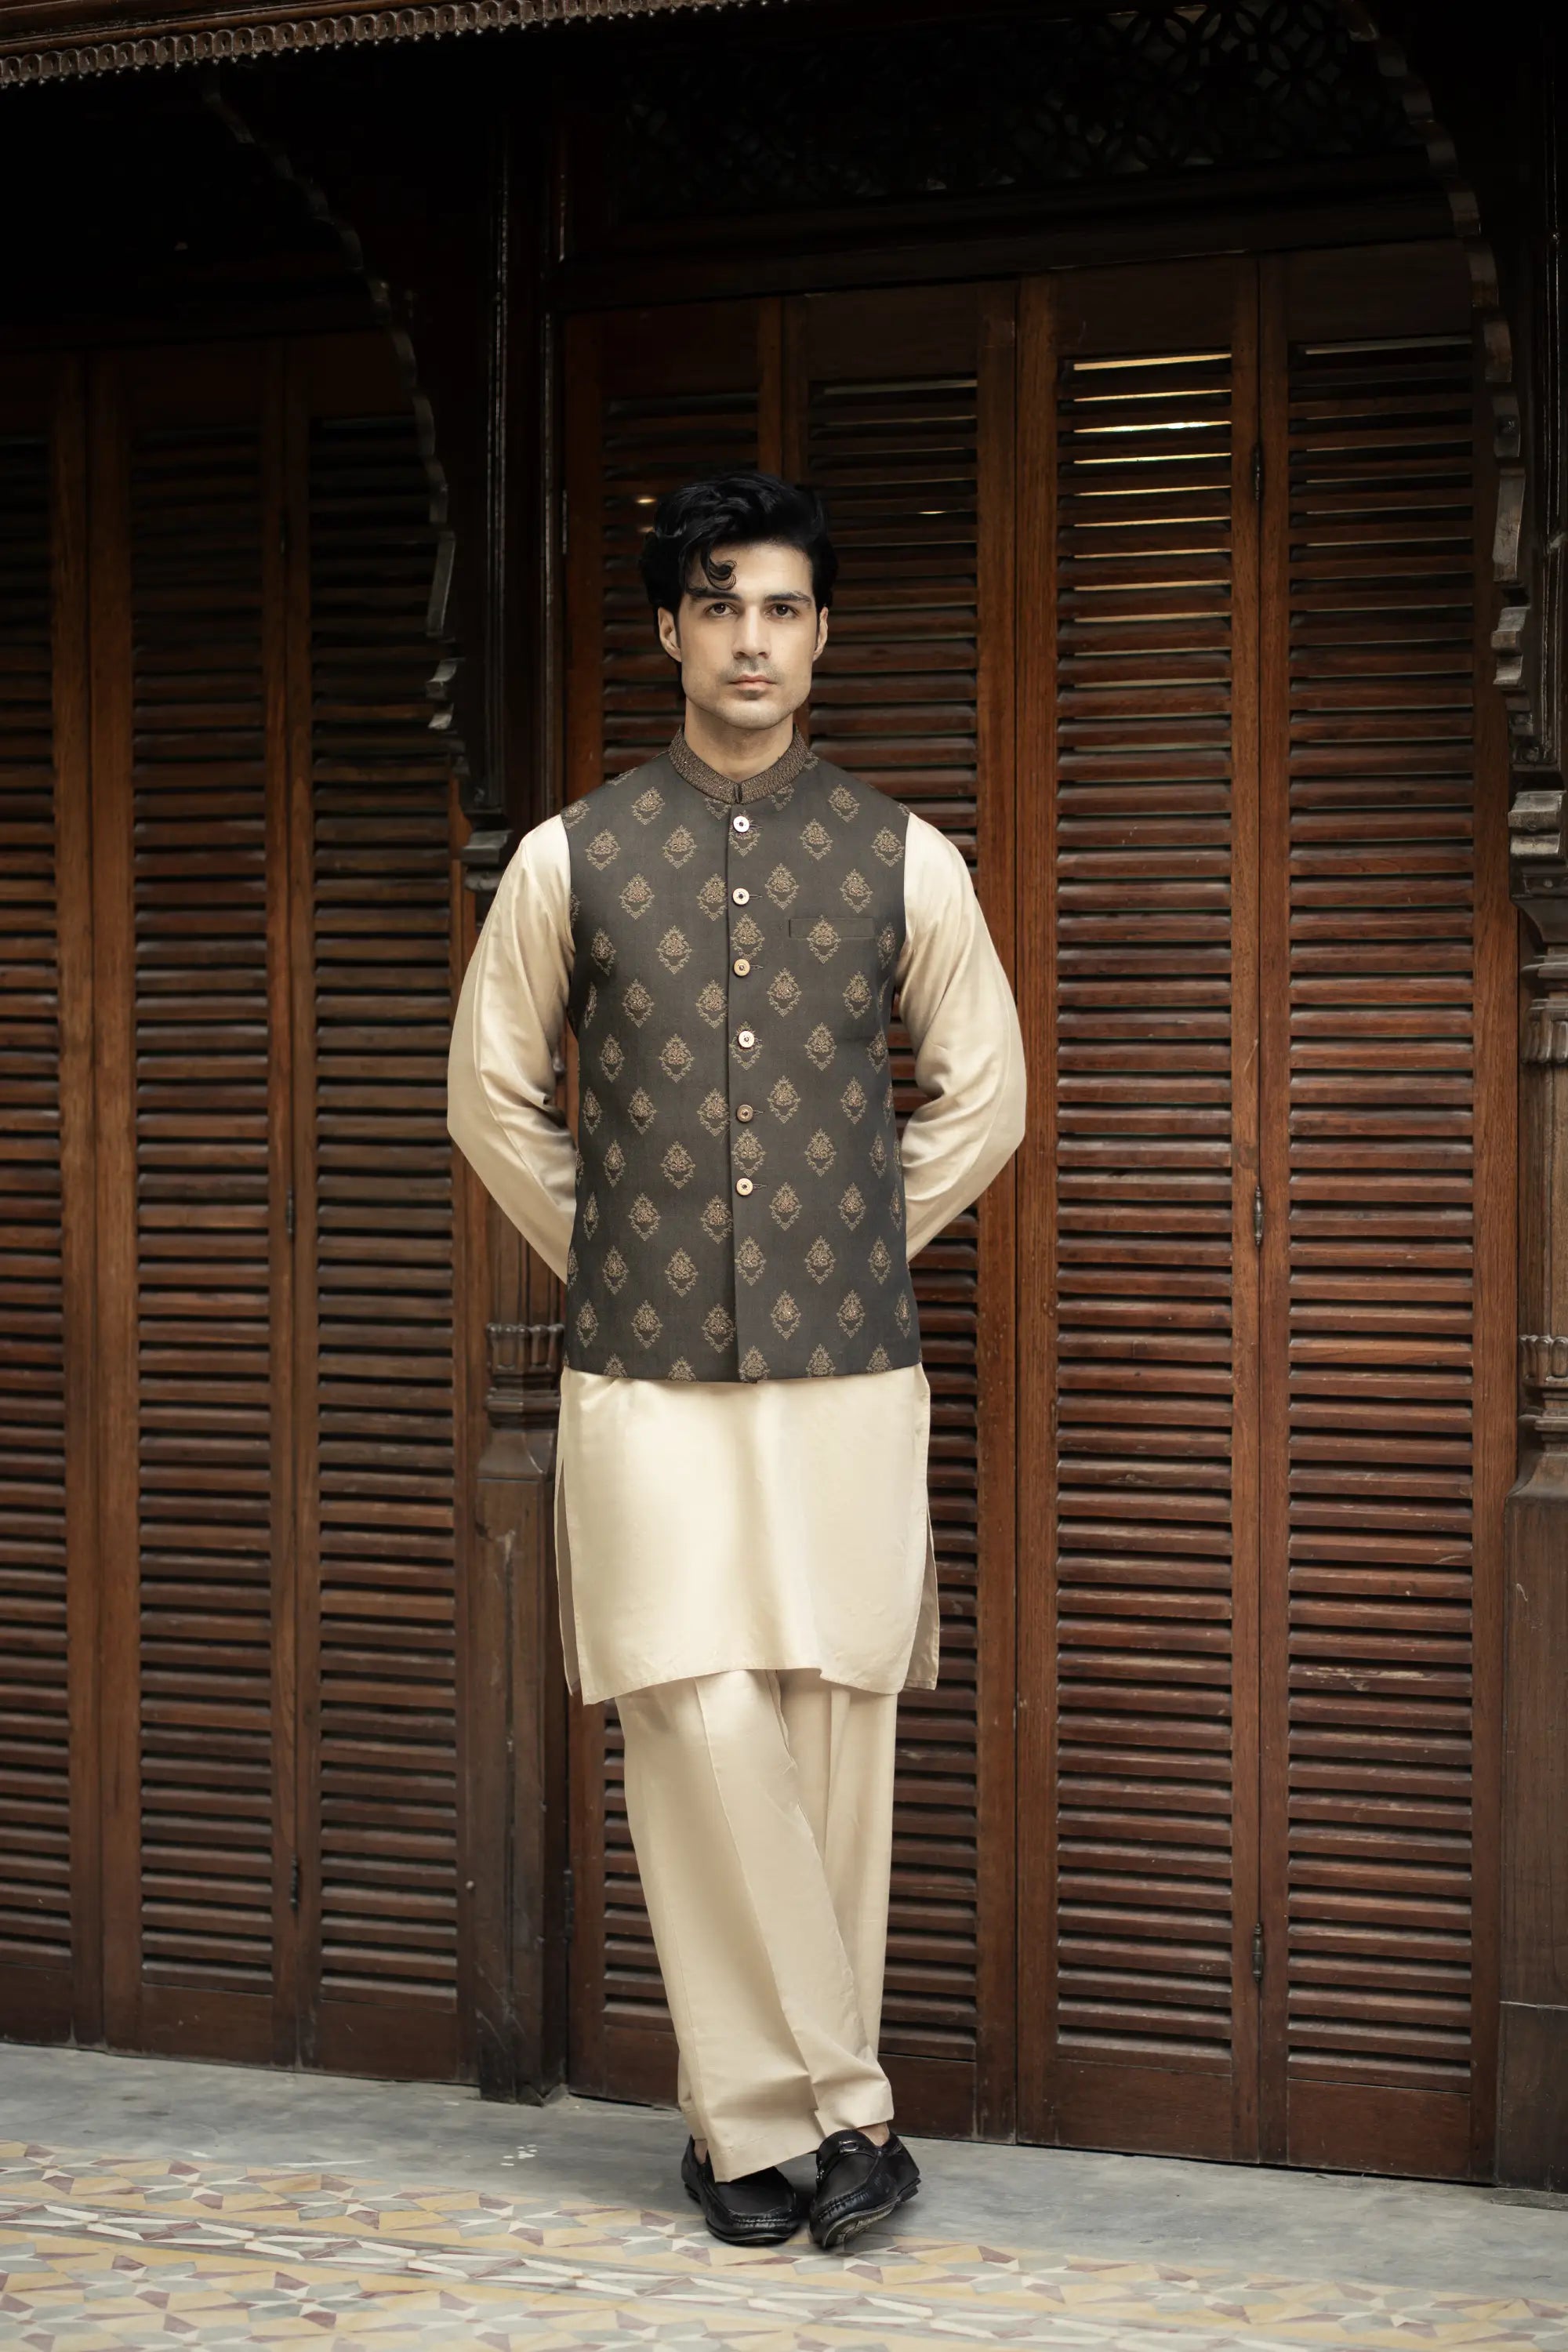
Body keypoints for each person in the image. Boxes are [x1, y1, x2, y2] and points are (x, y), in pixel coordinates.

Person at [448, 470, 1025, 2251]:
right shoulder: (569, 853)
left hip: (847, 1373)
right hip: (640, 1381)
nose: (752, 637)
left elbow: (985, 1097)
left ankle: (743, 2138)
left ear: (820, 633)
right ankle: (830, 2110)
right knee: (689, 1715)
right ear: (672, 631)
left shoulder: (909, 854)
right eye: (721, 604)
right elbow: (488, 1093)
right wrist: (629, 1250)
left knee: (832, 1727)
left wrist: (841, 1242)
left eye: (782, 606)